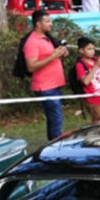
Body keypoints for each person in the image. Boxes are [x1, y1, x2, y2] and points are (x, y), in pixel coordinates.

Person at [23, 10, 68, 140]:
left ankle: (54, 144)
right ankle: (55, 148)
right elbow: (31, 66)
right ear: (38, 24)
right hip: (46, 87)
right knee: (56, 120)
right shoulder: (32, 42)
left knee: (55, 120)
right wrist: (53, 56)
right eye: (47, 21)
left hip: (55, 85)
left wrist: (60, 53)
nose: (51, 24)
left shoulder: (47, 38)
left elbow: (52, 55)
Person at [75, 37, 100, 123]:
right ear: (81, 50)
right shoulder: (80, 65)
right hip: (93, 99)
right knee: (99, 122)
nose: (92, 51)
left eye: (93, 49)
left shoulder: (95, 59)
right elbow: (85, 82)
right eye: (89, 49)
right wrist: (96, 66)